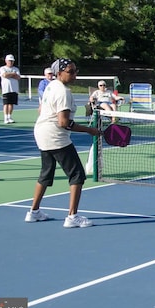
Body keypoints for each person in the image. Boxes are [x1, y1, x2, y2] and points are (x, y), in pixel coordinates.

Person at [24, 59, 101, 227]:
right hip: (55, 136)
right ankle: (72, 217)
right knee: (77, 175)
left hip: (42, 133)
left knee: (46, 173)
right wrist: (89, 130)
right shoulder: (62, 92)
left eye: (75, 70)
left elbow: (42, 110)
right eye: (70, 71)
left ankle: (33, 212)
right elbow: (64, 122)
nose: (74, 74)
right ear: (59, 73)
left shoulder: (51, 86)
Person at [0, 54, 21, 124]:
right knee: (6, 104)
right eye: (9, 61)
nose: (11, 62)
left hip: (14, 89)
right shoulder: (2, 68)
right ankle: (5, 118)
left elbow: (18, 77)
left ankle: (9, 117)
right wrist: (13, 74)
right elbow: (5, 75)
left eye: (12, 61)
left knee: (11, 104)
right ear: (6, 61)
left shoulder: (16, 69)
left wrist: (10, 74)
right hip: (6, 89)